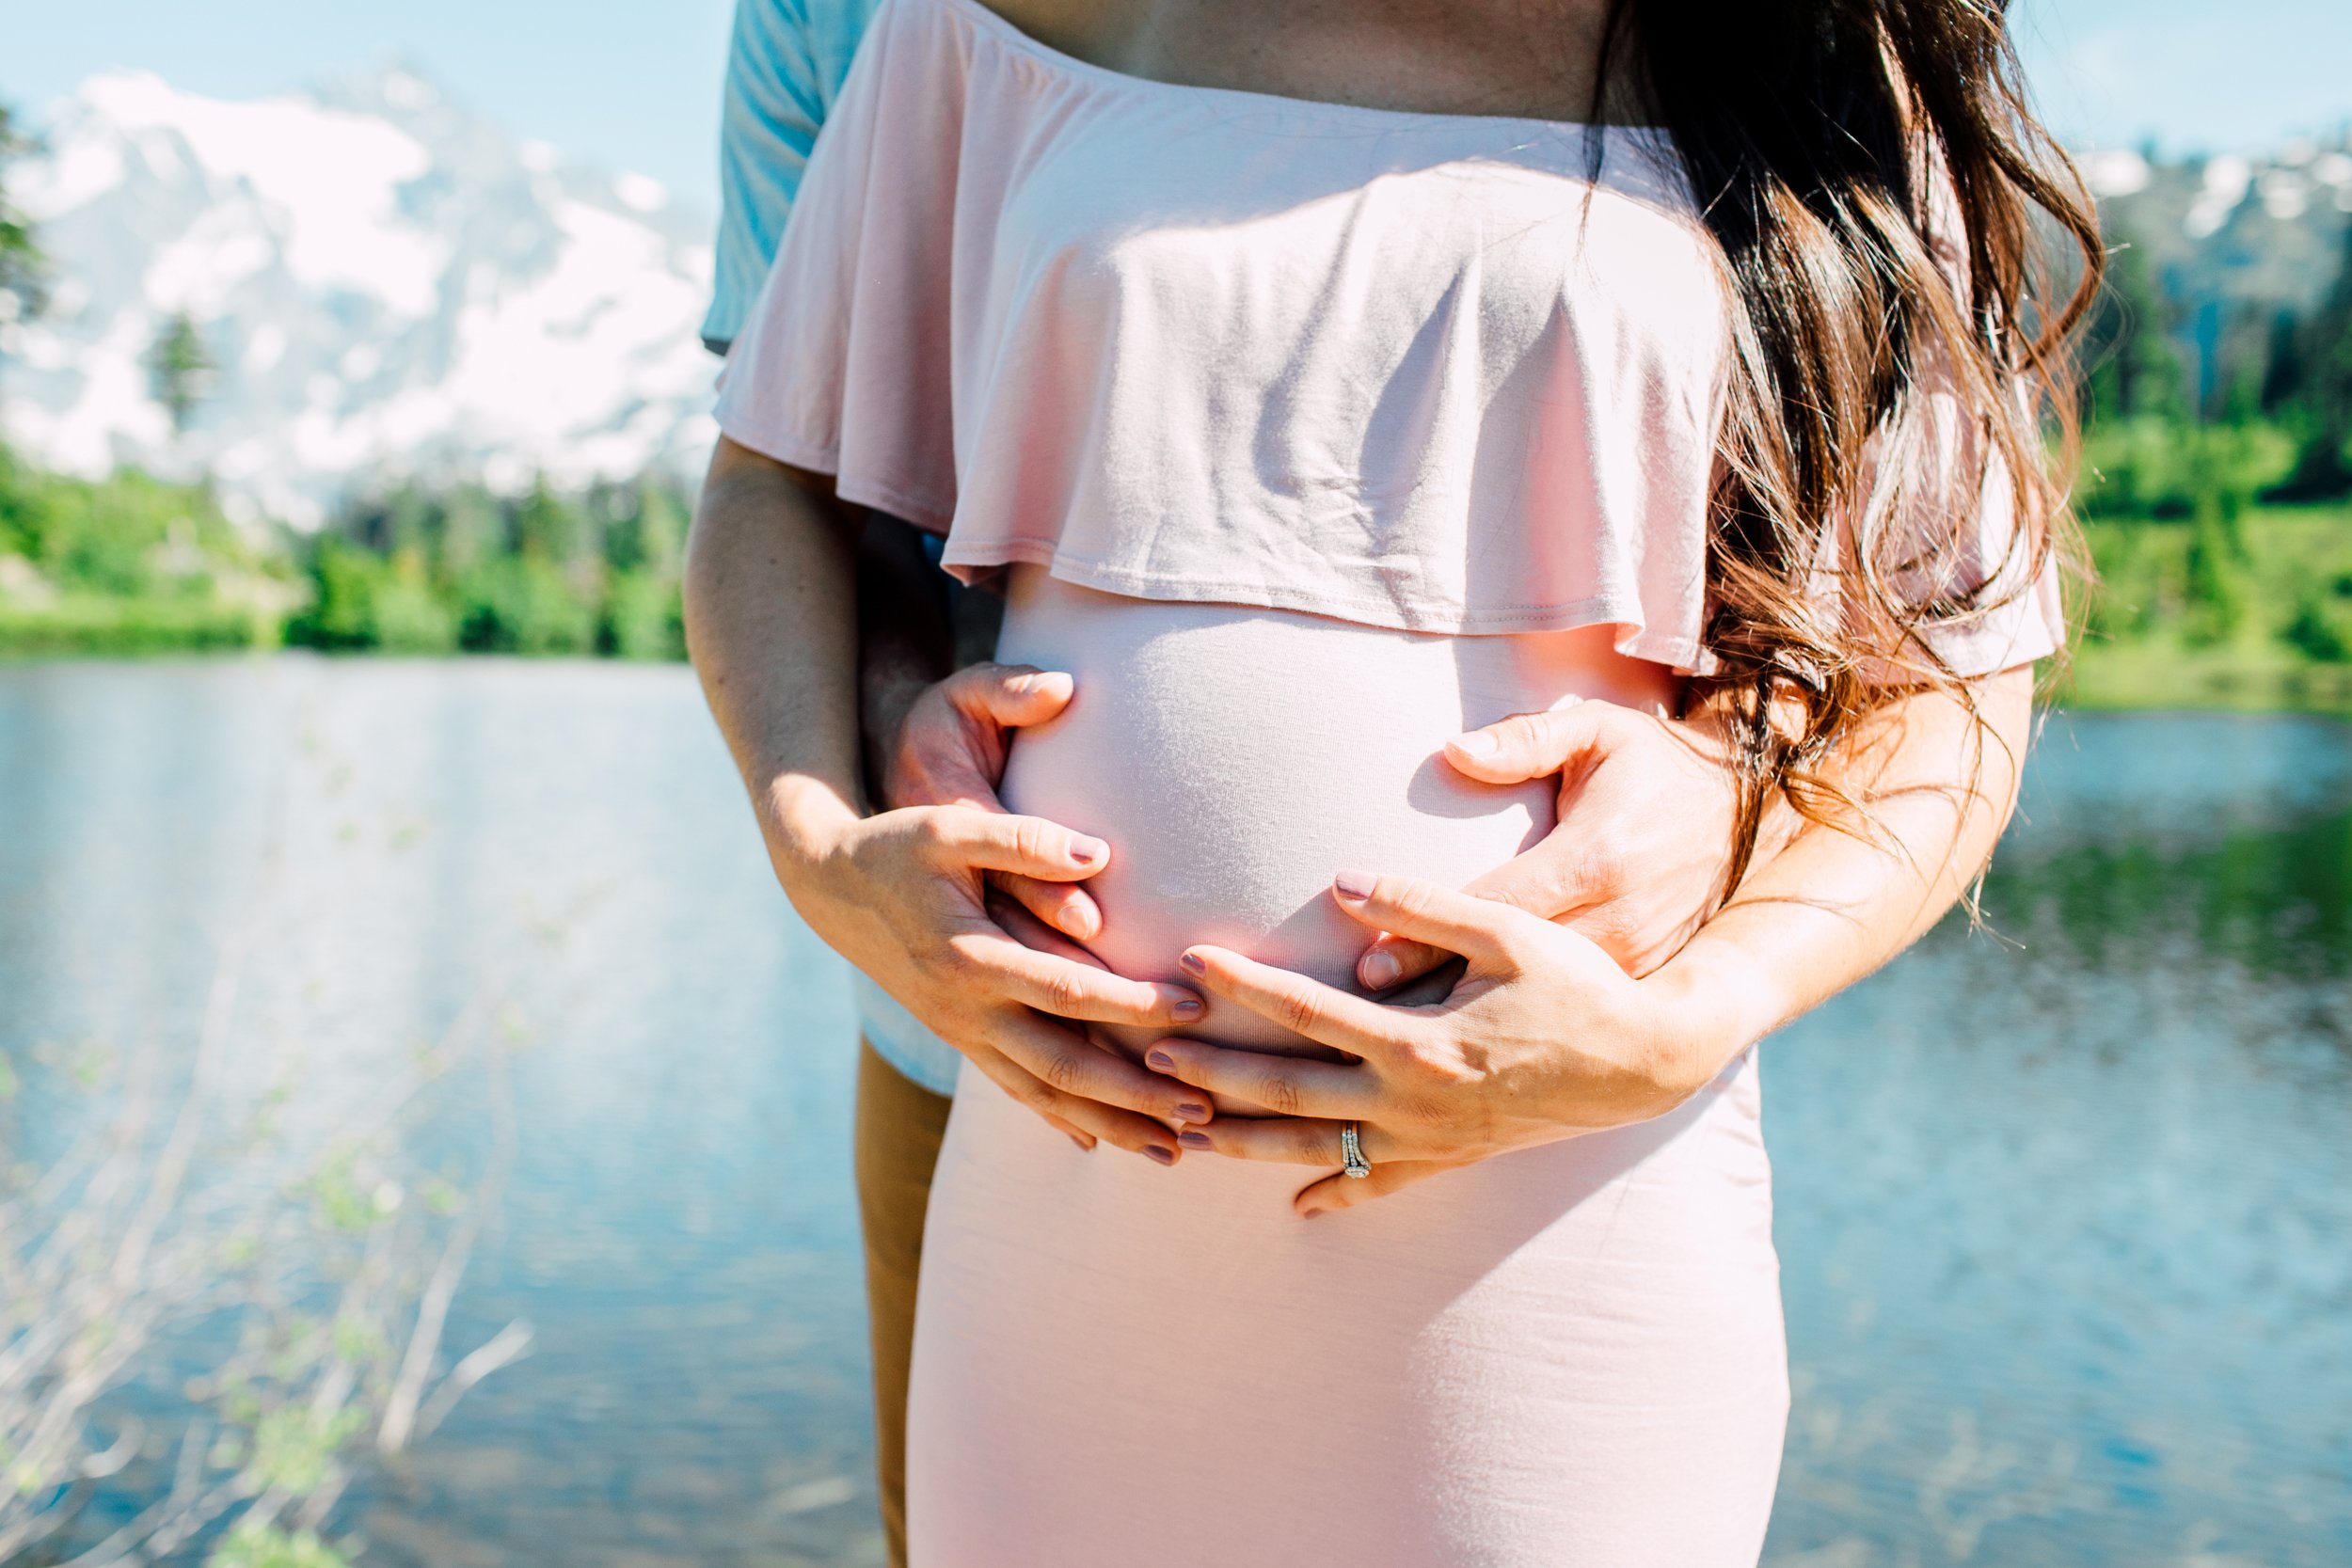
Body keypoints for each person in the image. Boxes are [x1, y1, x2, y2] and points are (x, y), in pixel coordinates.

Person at [691, 0, 2097, 1561]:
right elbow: (777, 487)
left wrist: (1690, 1017)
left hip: (1554, 1235)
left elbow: (1957, 664)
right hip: (1064, 1226)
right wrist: (822, 837)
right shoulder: (983, 24)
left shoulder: (1812, 54)